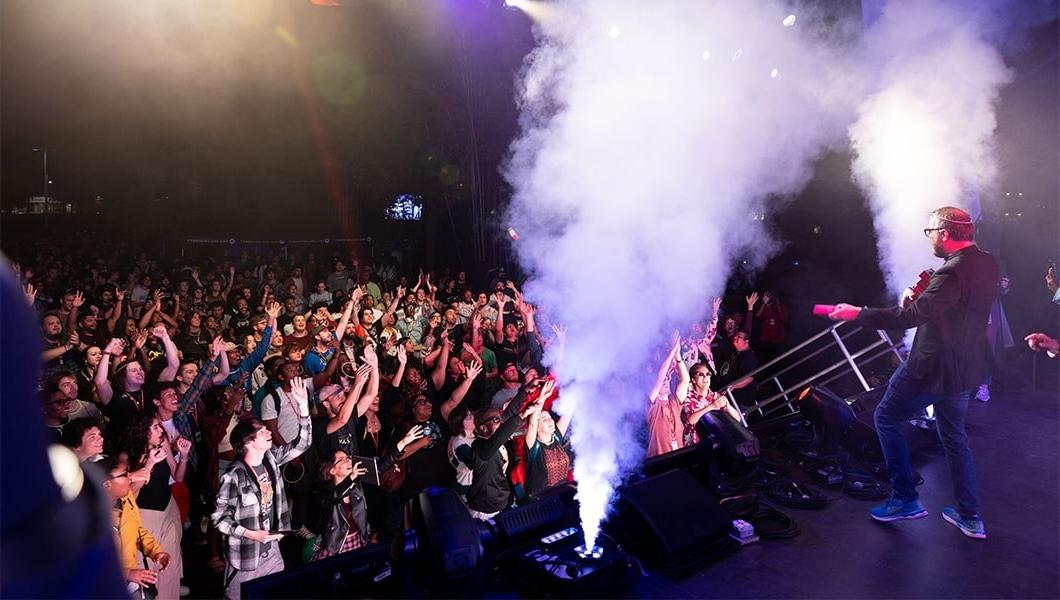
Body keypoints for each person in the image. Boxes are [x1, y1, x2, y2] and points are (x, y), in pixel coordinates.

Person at [828, 206, 996, 539]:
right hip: (964, 370)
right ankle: (970, 516)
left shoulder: (951, 273)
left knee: (886, 418)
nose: (929, 237)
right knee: (954, 437)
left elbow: (910, 317)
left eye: (930, 231)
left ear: (944, 235)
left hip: (933, 367)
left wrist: (857, 314)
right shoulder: (986, 262)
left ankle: (905, 498)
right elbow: (958, 308)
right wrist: (928, 293)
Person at [211, 376, 312, 600]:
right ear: (247, 442)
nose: (268, 431)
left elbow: (302, 443)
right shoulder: (233, 476)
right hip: (245, 558)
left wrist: (303, 406)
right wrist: (251, 534)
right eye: (261, 430)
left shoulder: (271, 460)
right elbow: (219, 519)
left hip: (273, 551)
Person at [99, 455, 172, 599]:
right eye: (124, 475)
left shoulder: (126, 498)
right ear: (106, 485)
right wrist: (128, 574)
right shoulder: (91, 516)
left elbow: (136, 530)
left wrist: (155, 551)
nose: (129, 478)